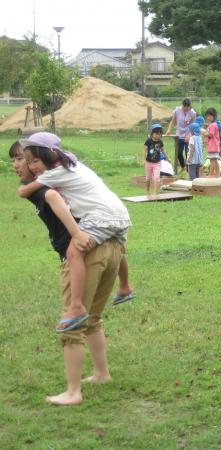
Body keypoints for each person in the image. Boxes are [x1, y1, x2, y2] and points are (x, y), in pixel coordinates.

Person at [10, 141, 123, 406]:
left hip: (86, 253)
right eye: (13, 160)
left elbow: (52, 199)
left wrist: (75, 234)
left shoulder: (44, 187)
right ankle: (101, 374)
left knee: (72, 323)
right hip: (111, 248)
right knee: (92, 318)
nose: (16, 165)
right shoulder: (59, 175)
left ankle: (73, 392)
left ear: (35, 161)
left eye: (20, 159)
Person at [17, 133, 135, 332]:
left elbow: (25, 191)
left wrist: (26, 185)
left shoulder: (55, 172)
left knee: (74, 252)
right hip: (120, 213)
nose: (32, 166)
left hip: (101, 216)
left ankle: (77, 307)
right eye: (28, 162)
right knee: (119, 249)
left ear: (50, 155)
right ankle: (125, 287)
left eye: (35, 160)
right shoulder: (73, 164)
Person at [166, 98, 197, 173]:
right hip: (179, 134)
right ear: (182, 105)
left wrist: (190, 134)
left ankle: (188, 170)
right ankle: (183, 166)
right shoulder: (177, 110)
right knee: (178, 153)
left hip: (188, 135)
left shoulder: (193, 113)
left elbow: (193, 125)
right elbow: (173, 121)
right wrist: (169, 130)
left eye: (187, 107)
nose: (186, 108)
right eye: (184, 107)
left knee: (188, 152)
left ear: (190, 106)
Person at [143, 123, 166, 195]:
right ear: (152, 133)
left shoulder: (160, 142)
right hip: (149, 162)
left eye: (160, 134)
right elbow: (145, 150)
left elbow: (163, 150)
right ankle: (147, 191)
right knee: (148, 178)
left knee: (156, 177)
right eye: (156, 134)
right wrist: (143, 160)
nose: (158, 136)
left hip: (157, 163)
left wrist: (167, 158)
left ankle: (155, 192)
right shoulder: (148, 141)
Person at [204, 107, 221, 177]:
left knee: (212, 161)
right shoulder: (213, 124)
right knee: (215, 160)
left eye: (210, 116)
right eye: (207, 116)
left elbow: (210, 134)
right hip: (214, 146)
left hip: (213, 146)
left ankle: (211, 174)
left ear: (214, 116)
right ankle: (217, 174)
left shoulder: (213, 125)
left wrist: (204, 133)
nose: (208, 118)